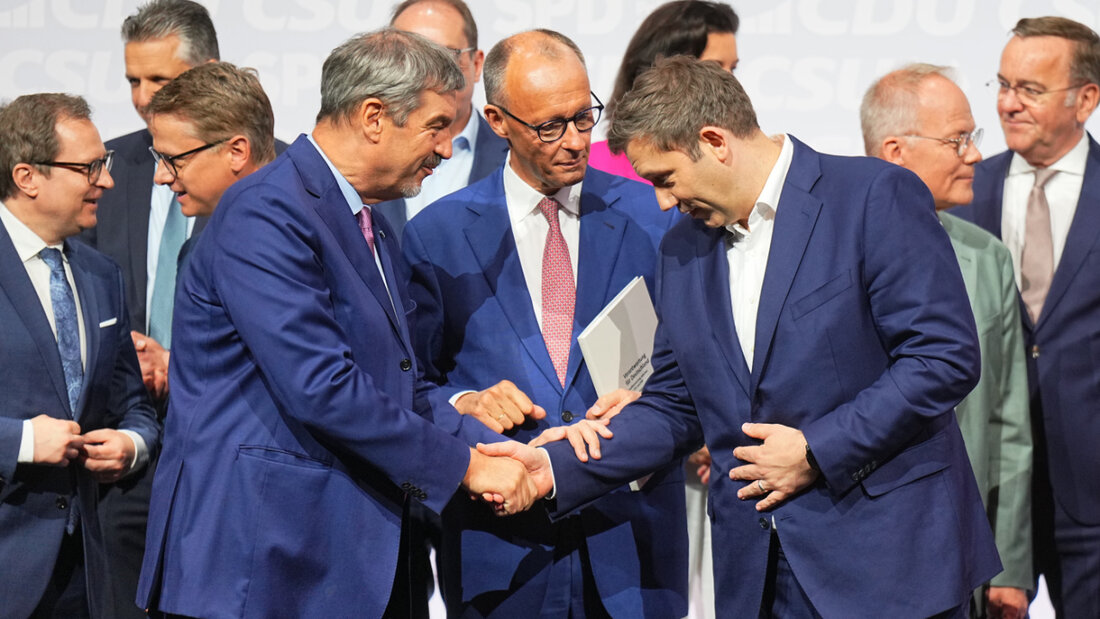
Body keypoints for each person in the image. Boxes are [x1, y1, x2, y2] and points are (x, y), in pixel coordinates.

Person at [487, 56, 1002, 618]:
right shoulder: (682, 249)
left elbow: (941, 357)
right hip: (755, 575)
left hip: (886, 566)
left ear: (713, 141)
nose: (661, 201)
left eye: (664, 178)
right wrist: (557, 470)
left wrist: (814, 450)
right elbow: (675, 403)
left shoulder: (873, 196)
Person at [136, 29, 539, 619]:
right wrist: (470, 467)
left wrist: (509, 449)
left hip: (338, 563)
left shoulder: (365, 221)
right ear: (374, 116)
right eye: (436, 126)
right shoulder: (266, 210)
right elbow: (322, 387)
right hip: (262, 569)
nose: (447, 150)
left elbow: (397, 387)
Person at [403, 29, 685, 618]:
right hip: (501, 550)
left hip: (633, 544)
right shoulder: (437, 235)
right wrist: (464, 402)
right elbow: (409, 388)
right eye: (550, 125)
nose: (577, 141)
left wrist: (652, 400)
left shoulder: (656, 219)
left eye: (584, 117)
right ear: (498, 121)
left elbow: (702, 371)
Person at [862, 63, 1033, 619]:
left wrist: (1009, 564)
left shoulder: (988, 257)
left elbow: (1009, 423)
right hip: (860, 549)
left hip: (965, 553)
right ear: (895, 151)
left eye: (972, 138)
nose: (976, 155)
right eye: (958, 139)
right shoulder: (824, 253)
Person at [951, 16, 1100, 619]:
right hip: (983, 490)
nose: (1008, 104)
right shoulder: (961, 188)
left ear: (1086, 98)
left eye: (1030, 90)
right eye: (1003, 85)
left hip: (1090, 494)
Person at [77, 4, 219, 613]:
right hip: (123, 454)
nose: (142, 97)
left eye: (159, 81)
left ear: (210, 70)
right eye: (133, 80)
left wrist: (176, 362)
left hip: (222, 451)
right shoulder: (102, 170)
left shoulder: (270, 173)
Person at [0, 93, 160, 619]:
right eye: (90, 167)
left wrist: (132, 445)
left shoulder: (100, 274)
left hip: (85, 571)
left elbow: (132, 402)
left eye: (105, 165)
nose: (107, 181)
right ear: (27, 176)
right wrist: (21, 441)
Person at [376, 0, 508, 242]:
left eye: (446, 57)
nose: (427, 74)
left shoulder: (515, 155)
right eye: (410, 57)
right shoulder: (364, 156)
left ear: (477, 65)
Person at [589, 0, 739, 184]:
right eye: (714, 67)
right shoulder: (595, 168)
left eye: (733, 68)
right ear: (664, 70)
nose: (730, 80)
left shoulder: (734, 160)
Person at [146, 61, 277, 266]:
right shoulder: (194, 255)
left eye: (174, 160)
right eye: (158, 158)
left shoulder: (309, 243)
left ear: (236, 153)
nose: (161, 176)